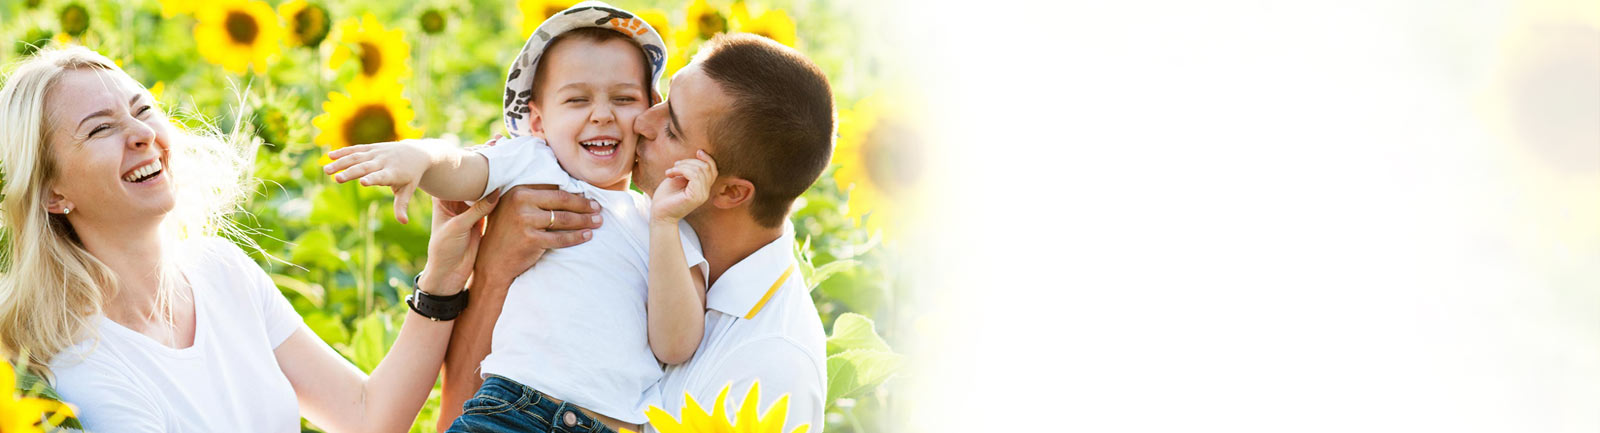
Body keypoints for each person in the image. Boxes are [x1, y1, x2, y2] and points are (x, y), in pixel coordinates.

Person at [0, 45, 527, 432]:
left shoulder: (219, 269)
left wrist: (443, 277)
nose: (141, 135)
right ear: (52, 194)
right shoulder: (79, 361)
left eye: (142, 110)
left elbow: (366, 416)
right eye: (99, 129)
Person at [323, 3, 707, 432]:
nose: (601, 114)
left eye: (623, 98)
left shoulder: (662, 219)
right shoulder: (532, 164)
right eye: (577, 99)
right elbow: (462, 167)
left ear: (650, 112)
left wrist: (666, 226)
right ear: (539, 122)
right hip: (510, 410)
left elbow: (676, 345)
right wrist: (419, 156)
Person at [450, 33, 838, 433]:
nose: (641, 120)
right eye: (661, 100)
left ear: (730, 191)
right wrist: (494, 269)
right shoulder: (623, 225)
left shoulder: (768, 370)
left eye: (672, 129)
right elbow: (466, 418)